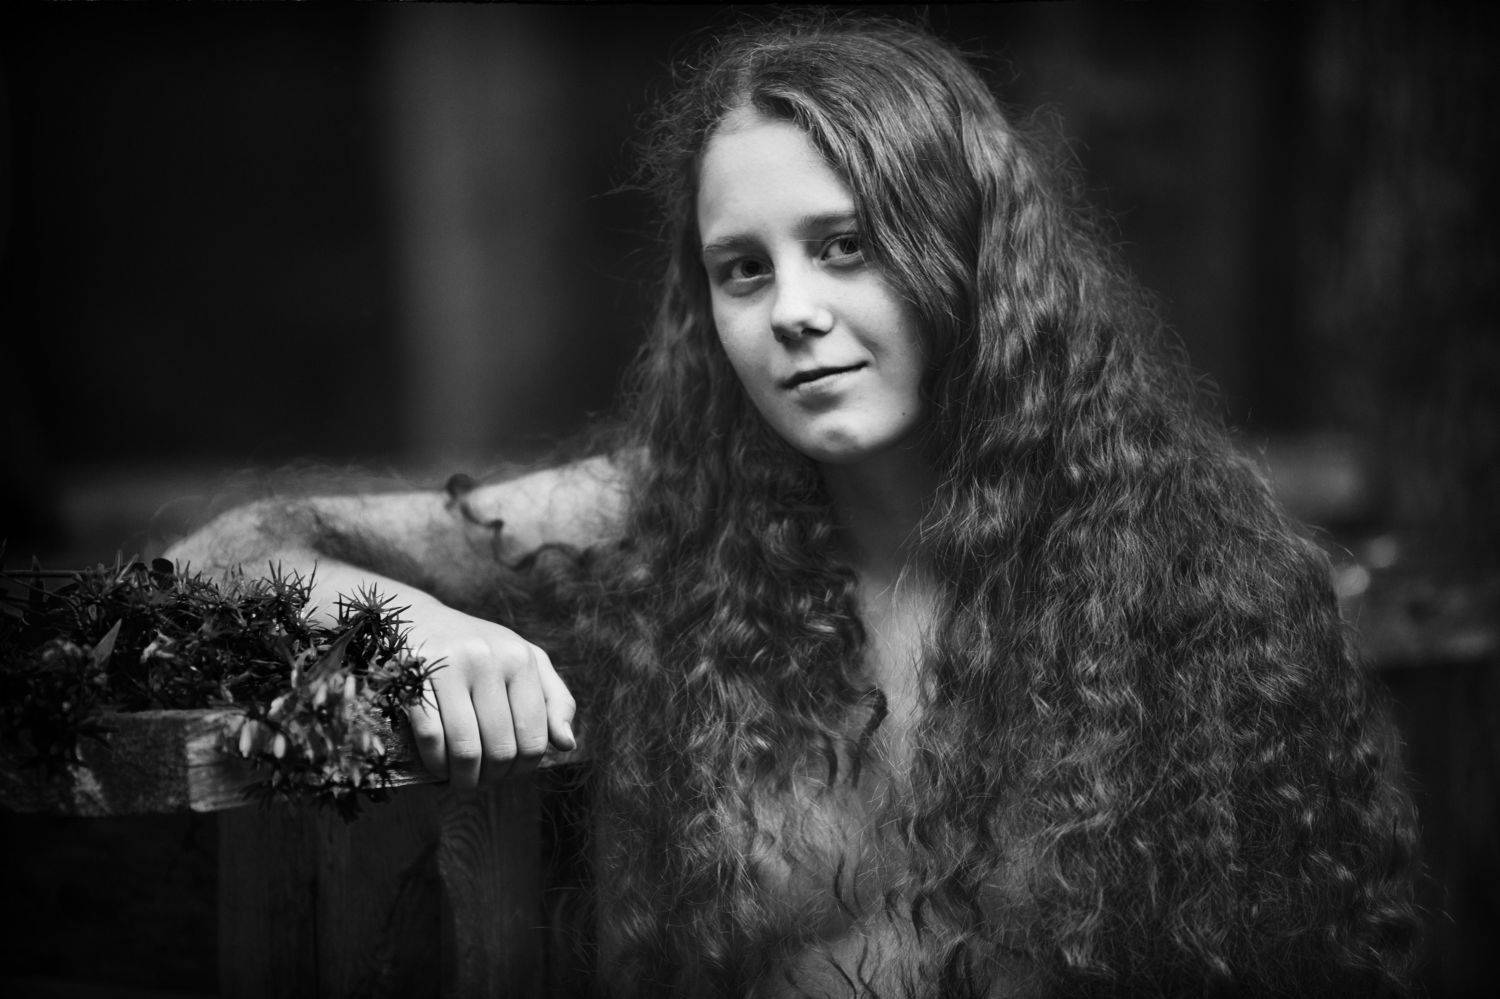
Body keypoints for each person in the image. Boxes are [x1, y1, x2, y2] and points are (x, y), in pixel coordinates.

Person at [167, 16, 1420, 998]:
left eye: (846, 245)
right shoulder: (667, 524)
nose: (794, 311)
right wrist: (410, 631)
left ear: (968, 252)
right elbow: (228, 555)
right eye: (742, 270)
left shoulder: (1194, 577)